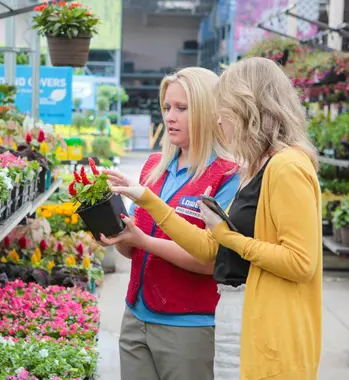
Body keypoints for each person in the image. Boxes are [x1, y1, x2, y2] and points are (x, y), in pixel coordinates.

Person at [105, 57, 322, 380]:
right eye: (167, 107)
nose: (219, 120)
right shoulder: (258, 167)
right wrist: (143, 204)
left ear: (249, 108)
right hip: (246, 321)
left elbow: (300, 263)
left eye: (226, 109)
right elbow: (209, 246)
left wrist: (229, 238)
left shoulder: (282, 167)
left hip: (262, 327)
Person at [99, 67, 240, 380]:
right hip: (135, 317)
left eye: (182, 108)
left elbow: (213, 261)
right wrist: (117, 232)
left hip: (188, 327)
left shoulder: (228, 176)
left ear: (206, 110)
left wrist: (145, 241)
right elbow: (132, 252)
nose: (170, 117)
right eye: (166, 108)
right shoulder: (155, 167)